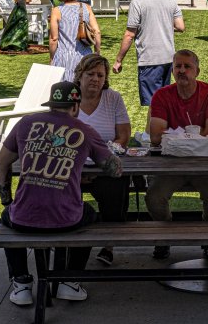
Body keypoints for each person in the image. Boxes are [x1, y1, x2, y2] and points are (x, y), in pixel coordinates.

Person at [0, 80, 122, 306]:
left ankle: (22, 284)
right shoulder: (85, 130)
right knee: (91, 216)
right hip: (67, 219)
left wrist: (7, 200)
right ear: (76, 106)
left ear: (51, 104)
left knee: (6, 219)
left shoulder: (26, 123)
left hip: (24, 217)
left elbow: (2, 163)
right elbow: (114, 170)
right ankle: (70, 282)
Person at [144, 50, 208, 260]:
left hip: (206, 162)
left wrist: (175, 136)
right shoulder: (162, 95)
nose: (182, 71)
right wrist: (194, 137)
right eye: (177, 66)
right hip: (170, 163)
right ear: (172, 71)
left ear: (197, 71)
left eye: (187, 66)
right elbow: (155, 136)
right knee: (154, 196)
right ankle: (165, 236)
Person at [73, 54, 131, 267]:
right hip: (72, 167)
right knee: (58, 187)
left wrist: (101, 162)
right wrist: (79, 169)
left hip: (105, 164)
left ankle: (109, 244)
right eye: (90, 74)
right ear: (80, 76)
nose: (95, 79)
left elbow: (124, 136)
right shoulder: (70, 99)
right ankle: (64, 239)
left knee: (117, 186)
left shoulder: (113, 98)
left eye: (100, 75)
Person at [113, 0, 184, 107]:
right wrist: (163, 24)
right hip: (169, 59)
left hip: (149, 60)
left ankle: (154, 131)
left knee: (153, 107)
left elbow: (129, 35)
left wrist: (119, 59)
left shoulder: (137, 2)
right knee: (165, 103)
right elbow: (180, 26)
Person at [49, 0, 101, 79]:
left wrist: (52, 57)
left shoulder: (57, 11)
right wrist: (97, 52)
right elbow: (97, 32)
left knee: (65, 90)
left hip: (63, 57)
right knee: (84, 90)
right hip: (84, 56)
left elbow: (54, 39)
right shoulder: (86, 8)